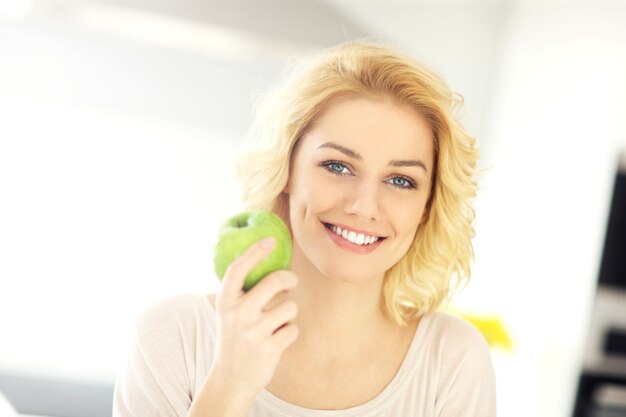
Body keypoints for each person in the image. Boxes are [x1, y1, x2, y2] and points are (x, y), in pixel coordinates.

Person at [113, 41, 496, 417]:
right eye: (337, 166)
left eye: (400, 181)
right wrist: (230, 385)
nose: (363, 206)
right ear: (288, 170)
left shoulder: (452, 361)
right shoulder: (175, 337)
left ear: (427, 206)